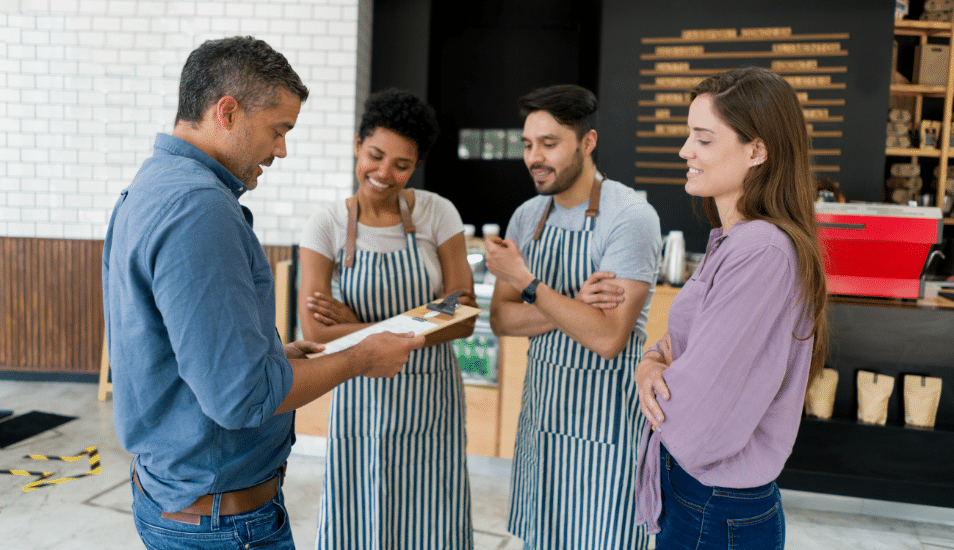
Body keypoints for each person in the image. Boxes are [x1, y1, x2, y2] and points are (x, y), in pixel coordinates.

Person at [102, 36, 423, 550]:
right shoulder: (198, 210)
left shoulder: (152, 184)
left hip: (176, 493)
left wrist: (273, 354)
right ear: (226, 112)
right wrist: (360, 358)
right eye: (278, 130)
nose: (281, 150)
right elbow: (240, 398)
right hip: (220, 520)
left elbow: (186, 347)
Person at [633, 67, 829, 549]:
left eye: (703, 138)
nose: (685, 151)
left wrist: (663, 373)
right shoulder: (734, 241)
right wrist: (651, 363)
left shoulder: (761, 250)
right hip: (704, 498)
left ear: (757, 150)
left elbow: (699, 412)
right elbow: (678, 349)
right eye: (688, 136)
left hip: (714, 507)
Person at [297, 88, 476, 550]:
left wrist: (355, 323)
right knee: (361, 515)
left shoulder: (438, 213)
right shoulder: (327, 224)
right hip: (360, 397)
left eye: (401, 164)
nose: (384, 173)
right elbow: (316, 332)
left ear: (415, 165)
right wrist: (425, 318)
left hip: (430, 399)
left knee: (432, 517)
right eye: (375, 156)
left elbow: (465, 315)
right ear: (358, 145)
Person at [485, 84, 661, 550]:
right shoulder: (527, 217)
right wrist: (573, 307)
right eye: (527, 144)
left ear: (587, 143)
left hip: (607, 430)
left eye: (549, 143)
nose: (533, 157)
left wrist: (530, 286)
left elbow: (608, 338)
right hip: (543, 423)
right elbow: (502, 320)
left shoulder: (630, 218)